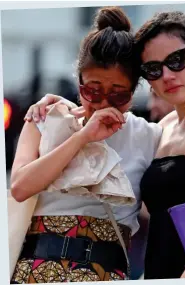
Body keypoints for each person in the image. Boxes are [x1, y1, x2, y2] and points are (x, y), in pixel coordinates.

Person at [24, 11, 185, 280]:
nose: (167, 75)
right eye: (154, 69)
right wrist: (57, 105)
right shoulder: (162, 128)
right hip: (157, 269)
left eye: (176, 60)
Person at [10, 7, 162, 283]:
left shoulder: (148, 135)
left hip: (106, 272)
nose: (103, 103)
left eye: (118, 95)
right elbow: (19, 187)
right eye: (92, 90)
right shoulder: (44, 120)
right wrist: (81, 137)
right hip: (37, 271)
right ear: (78, 81)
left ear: (133, 91)